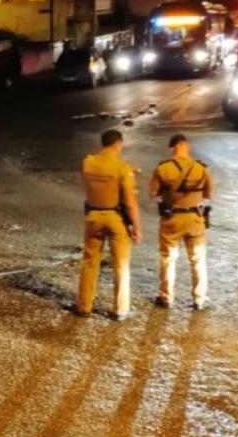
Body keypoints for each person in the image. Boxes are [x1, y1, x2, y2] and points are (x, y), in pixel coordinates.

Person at [77, 129, 142, 321]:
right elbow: (130, 203)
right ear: (118, 144)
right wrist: (137, 228)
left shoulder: (88, 163)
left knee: (89, 263)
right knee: (121, 265)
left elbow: (95, 175)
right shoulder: (122, 169)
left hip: (93, 217)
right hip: (115, 219)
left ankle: (84, 306)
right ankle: (120, 309)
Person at [149, 134, 212, 311]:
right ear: (187, 146)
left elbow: (153, 193)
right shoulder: (201, 168)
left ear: (172, 148)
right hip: (195, 220)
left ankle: (166, 297)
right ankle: (199, 299)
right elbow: (209, 195)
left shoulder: (163, 168)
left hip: (172, 220)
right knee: (198, 260)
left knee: (168, 259)